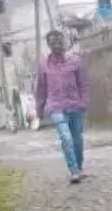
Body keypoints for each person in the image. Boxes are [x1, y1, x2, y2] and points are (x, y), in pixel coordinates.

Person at [34, 29, 89, 183]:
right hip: (55, 106)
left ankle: (79, 166)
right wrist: (39, 109)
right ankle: (73, 171)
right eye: (53, 42)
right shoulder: (44, 65)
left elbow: (82, 84)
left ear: (64, 42)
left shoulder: (75, 61)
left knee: (77, 139)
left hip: (74, 105)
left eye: (59, 41)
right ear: (49, 44)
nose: (57, 44)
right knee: (66, 137)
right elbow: (40, 89)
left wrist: (83, 102)